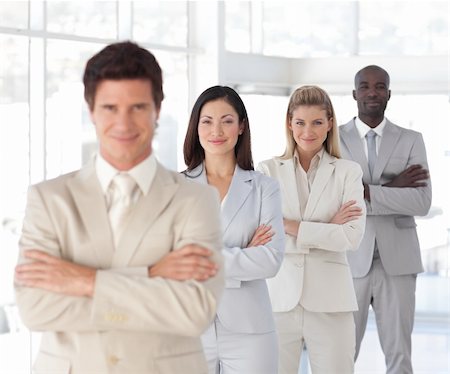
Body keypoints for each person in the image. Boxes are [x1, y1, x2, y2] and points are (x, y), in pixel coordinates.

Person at [14, 41, 224, 373]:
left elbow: (193, 311)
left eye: (138, 107)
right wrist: (151, 275)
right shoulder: (48, 199)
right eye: (110, 107)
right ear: (91, 110)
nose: (124, 123)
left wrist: (84, 281)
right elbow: (35, 307)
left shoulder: (197, 200)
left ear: (157, 109)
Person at [258, 85, 366, 374]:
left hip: (332, 303)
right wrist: (327, 229)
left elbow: (352, 237)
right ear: (289, 124)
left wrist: (290, 227)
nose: (309, 131)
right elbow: (263, 239)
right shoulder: (267, 171)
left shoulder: (349, 171)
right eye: (301, 122)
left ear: (330, 124)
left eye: (318, 122)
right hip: (278, 301)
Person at [182, 85, 285, 374]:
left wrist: (200, 260)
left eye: (227, 120)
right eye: (207, 121)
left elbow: (271, 260)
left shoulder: (265, 188)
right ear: (196, 127)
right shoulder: (174, 188)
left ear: (241, 126)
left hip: (250, 330)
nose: (217, 130)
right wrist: (243, 254)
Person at [339, 65, 432, 373]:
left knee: (400, 355)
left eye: (380, 86)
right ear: (354, 94)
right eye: (365, 86)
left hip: (399, 261)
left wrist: (366, 193)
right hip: (349, 259)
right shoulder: (333, 140)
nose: (372, 92)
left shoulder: (411, 140)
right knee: (340, 355)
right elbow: (331, 201)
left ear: (389, 94)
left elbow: (420, 201)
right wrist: (392, 188)